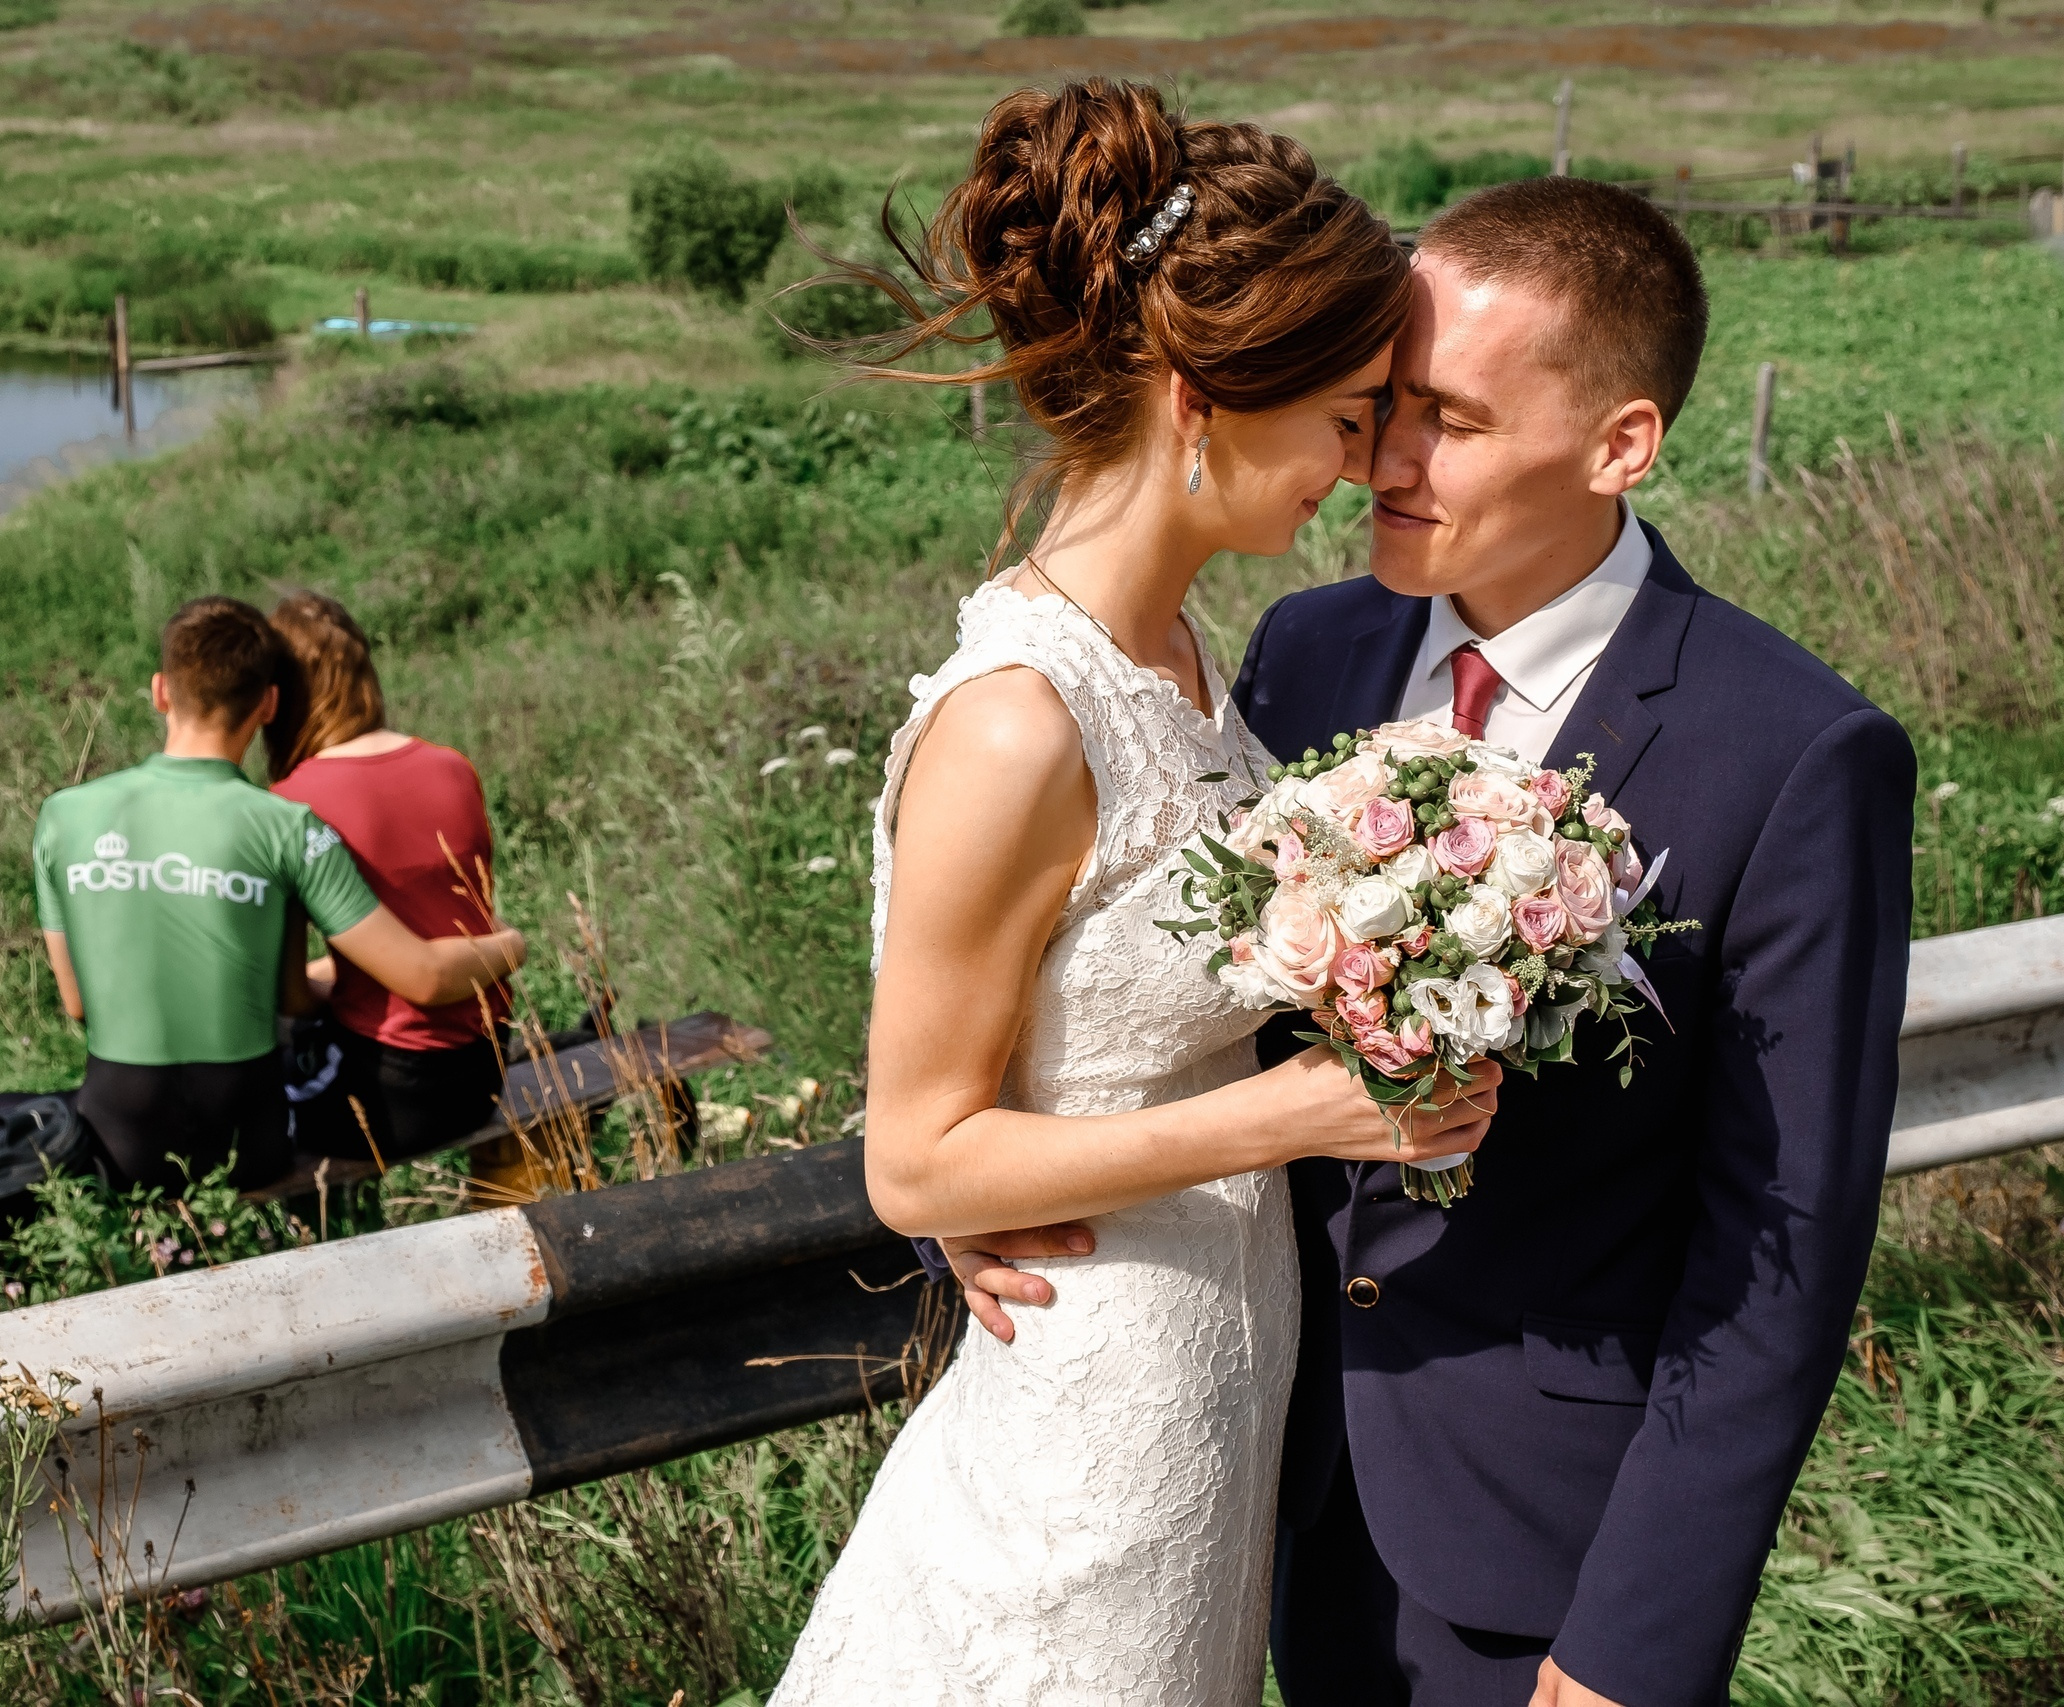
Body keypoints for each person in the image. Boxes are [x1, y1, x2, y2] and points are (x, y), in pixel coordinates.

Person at [947, 177, 1915, 1707]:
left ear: (1621, 444)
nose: (1384, 464)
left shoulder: (1794, 750)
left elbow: (1779, 1257)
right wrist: (993, 1173)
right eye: (1383, 407)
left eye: (1447, 421)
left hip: (1552, 1568)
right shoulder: (1306, 646)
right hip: (1267, 1481)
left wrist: (1630, 1655)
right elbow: (1194, 995)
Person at [764, 82, 1496, 1707]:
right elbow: (915, 1155)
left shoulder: (1184, 667)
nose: (1367, 462)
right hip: (1087, 1422)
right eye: (1350, 412)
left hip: (1213, 1387)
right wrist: (1300, 1115)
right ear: (1201, 398)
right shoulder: (1020, 718)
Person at [32, 595, 527, 1193]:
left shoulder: (70, 816)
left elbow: (89, 1003)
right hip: (434, 1084)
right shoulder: (410, 782)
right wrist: (508, 944)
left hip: (148, 1131)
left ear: (162, 692)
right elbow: (410, 951)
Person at [263, 592, 531, 1190]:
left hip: (393, 1095)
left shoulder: (292, 805)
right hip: (483, 1069)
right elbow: (440, 923)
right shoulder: (452, 766)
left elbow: (293, 998)